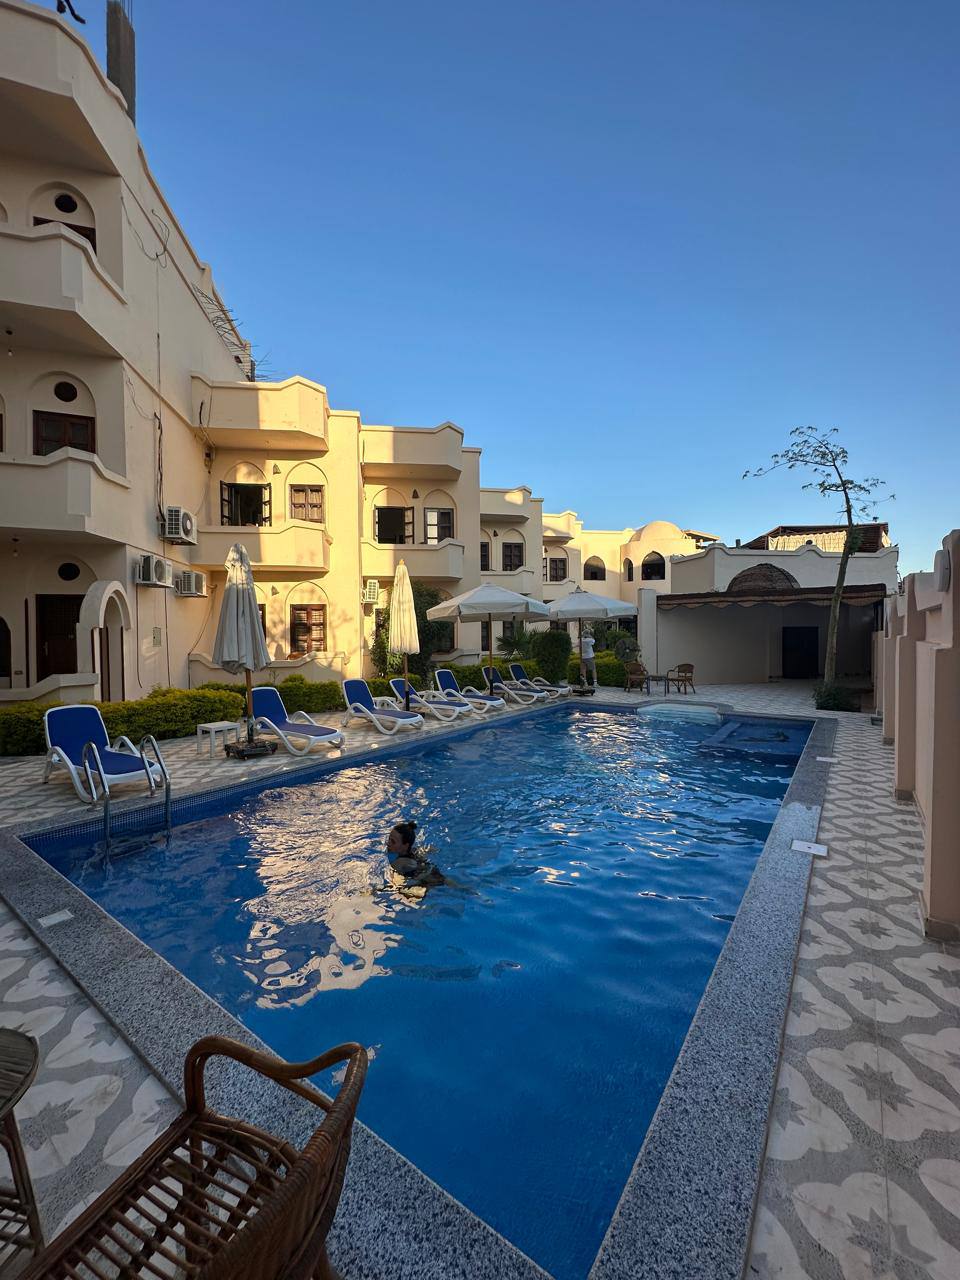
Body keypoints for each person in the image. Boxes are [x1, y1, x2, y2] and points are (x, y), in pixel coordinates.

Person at [386, 821, 445, 899]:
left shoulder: (399, 863)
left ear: (405, 846)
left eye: (393, 842)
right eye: (389, 839)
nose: (388, 843)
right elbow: (426, 850)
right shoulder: (414, 851)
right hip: (430, 874)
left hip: (426, 881)